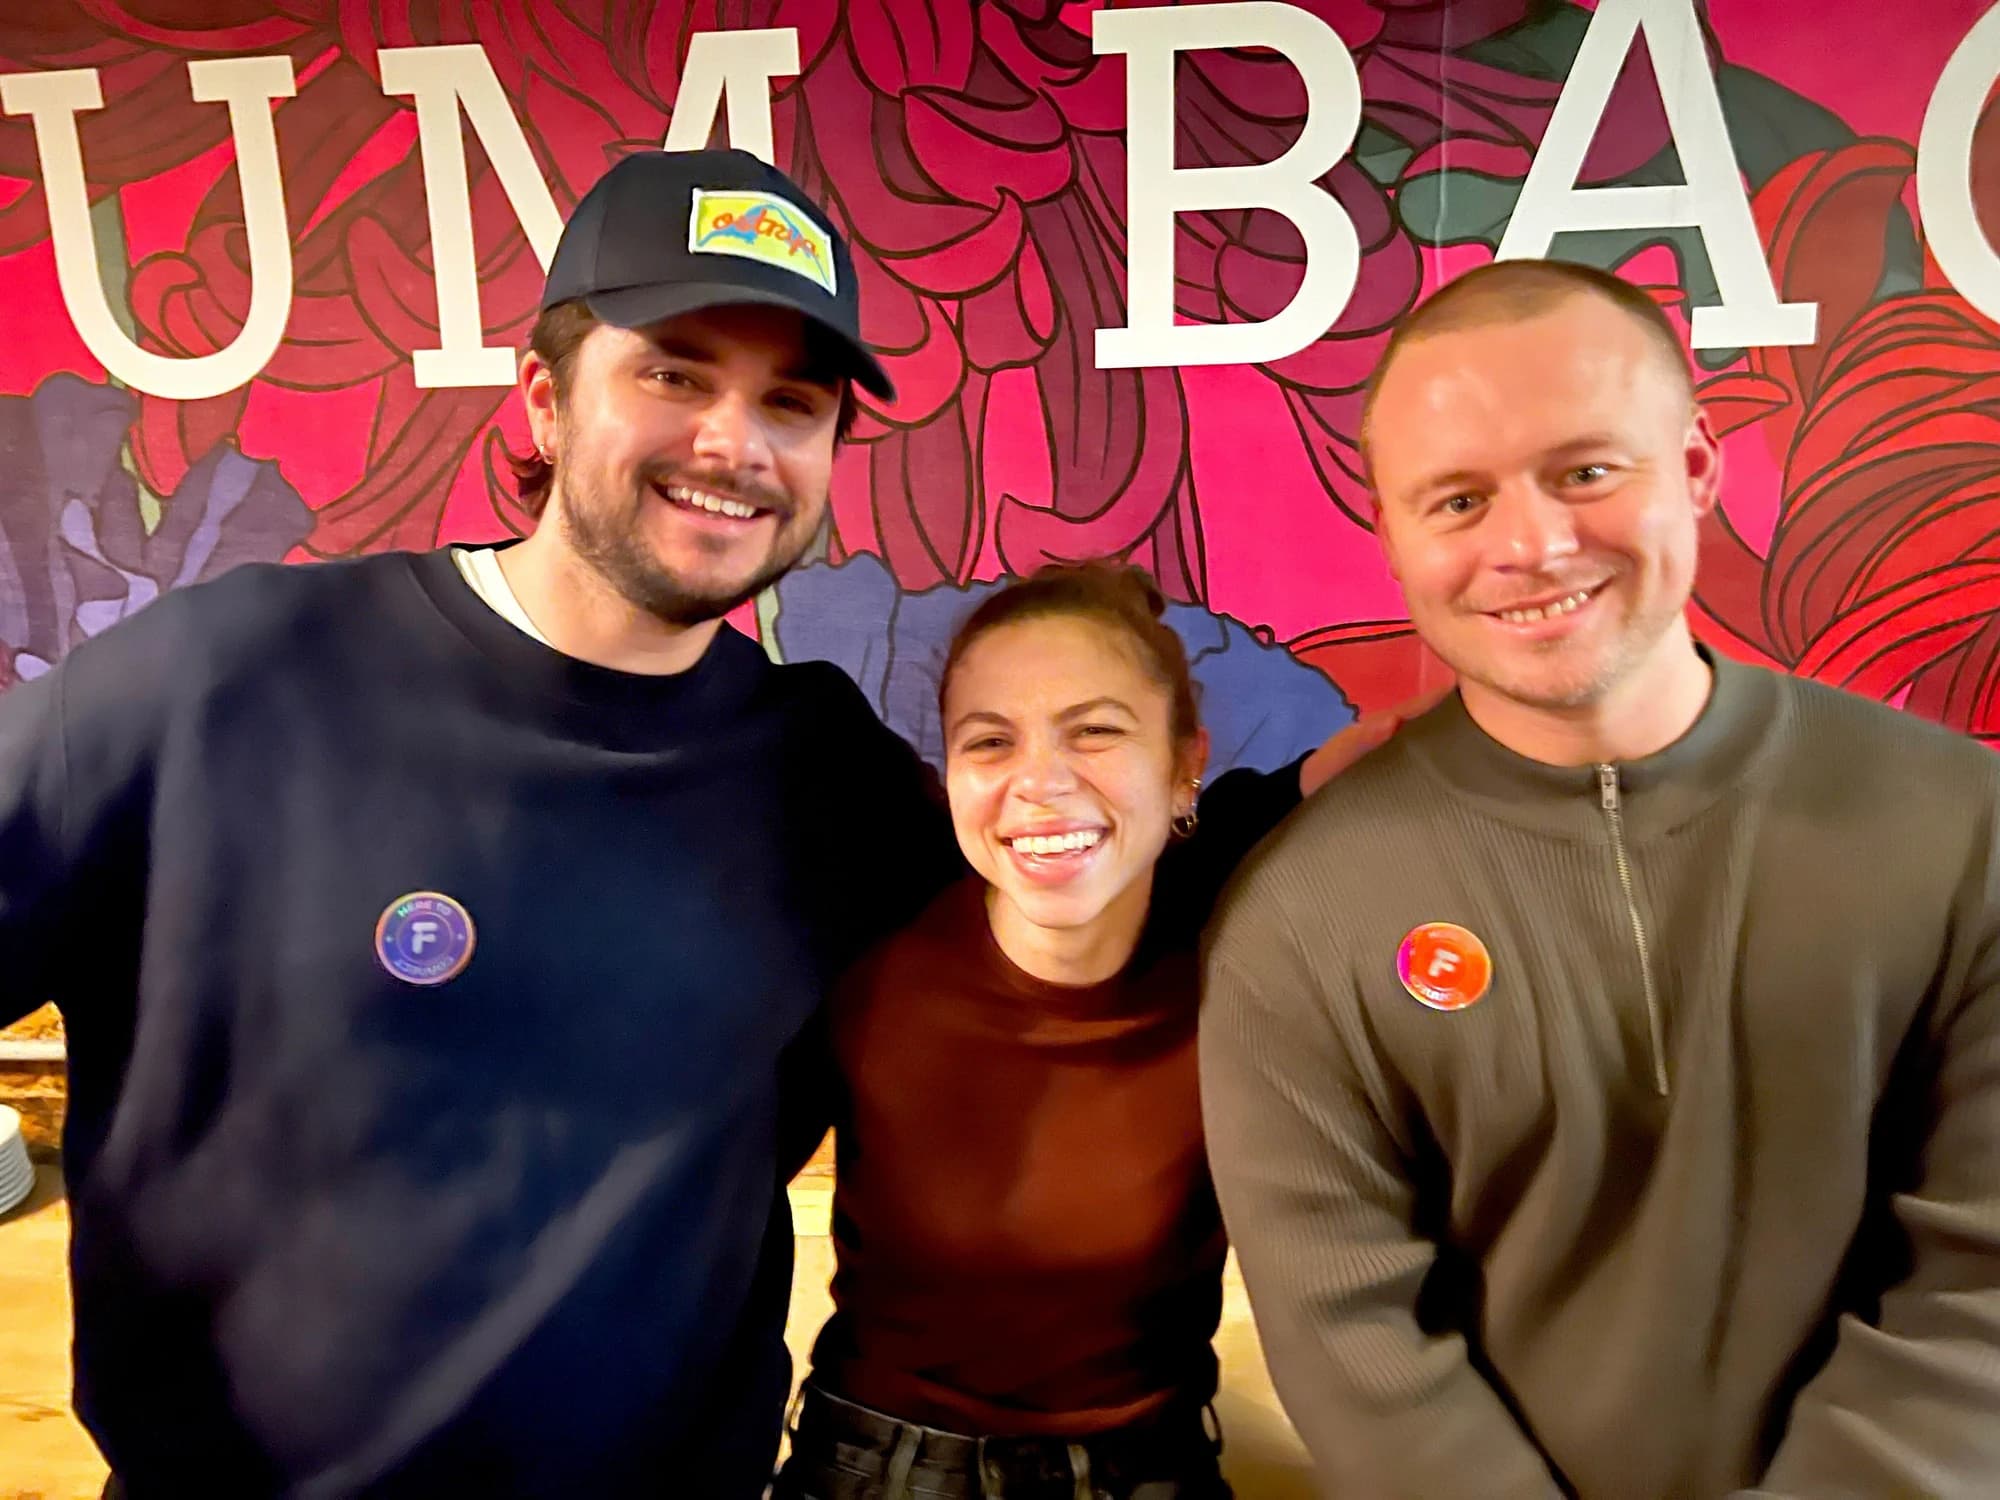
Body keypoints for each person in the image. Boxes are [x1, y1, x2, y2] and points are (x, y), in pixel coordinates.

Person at [0, 147, 963, 1497]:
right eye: (675, 373)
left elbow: (1092, 946)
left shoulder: (831, 780)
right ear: (544, 400)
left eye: (790, 403)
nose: (733, 444)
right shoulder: (223, 678)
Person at [1199, 259, 2000, 1499]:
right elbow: (1356, 1341)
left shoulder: (1962, 826)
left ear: (1692, 468)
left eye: (1584, 471)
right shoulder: (1299, 915)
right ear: (1394, 535)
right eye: (1456, 500)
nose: (1530, 544)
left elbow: (1980, 1283)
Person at [772, 563, 1421, 1500]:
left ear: (1186, 761)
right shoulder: (871, 954)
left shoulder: (1244, 971)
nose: (1040, 782)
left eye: (1097, 732)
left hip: (1152, 1469)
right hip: (876, 1469)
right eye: (989, 742)